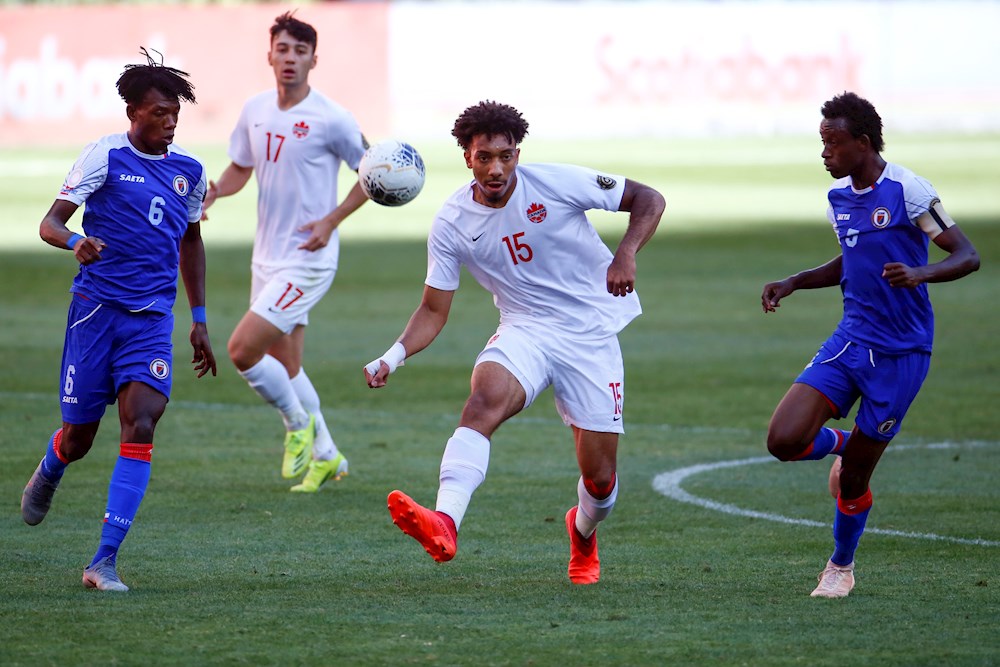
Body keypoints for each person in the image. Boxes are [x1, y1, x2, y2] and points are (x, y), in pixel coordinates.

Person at [364, 100, 665, 584]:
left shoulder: (556, 182)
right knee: (482, 402)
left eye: (505, 156)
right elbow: (433, 310)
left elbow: (649, 198)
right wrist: (392, 356)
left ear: (518, 155)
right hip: (525, 327)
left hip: (589, 333)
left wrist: (625, 253)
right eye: (484, 157)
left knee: (600, 480)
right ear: (467, 157)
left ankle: (583, 531)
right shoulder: (452, 222)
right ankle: (445, 522)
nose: (496, 169)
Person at [761, 92, 980, 598]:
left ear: (863, 142)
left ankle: (840, 566)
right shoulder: (839, 198)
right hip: (851, 339)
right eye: (822, 143)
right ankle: (844, 442)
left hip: (901, 354)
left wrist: (921, 272)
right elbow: (852, 257)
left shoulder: (908, 190)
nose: (825, 153)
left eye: (833, 143)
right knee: (782, 441)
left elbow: (967, 255)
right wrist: (794, 282)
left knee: (853, 481)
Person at [20, 49, 217, 592]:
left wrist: (199, 318)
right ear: (133, 113)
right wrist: (75, 241)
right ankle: (53, 464)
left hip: (150, 320)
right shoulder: (103, 156)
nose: (170, 123)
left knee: (142, 422)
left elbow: (192, 241)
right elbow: (50, 223)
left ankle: (103, 561)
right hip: (95, 314)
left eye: (175, 114)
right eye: (159, 113)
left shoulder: (190, 171)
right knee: (79, 438)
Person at [202, 11, 369, 492]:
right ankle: (328, 456)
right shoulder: (255, 109)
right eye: (283, 49)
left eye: (300, 51)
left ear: (315, 60)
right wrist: (215, 192)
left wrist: (332, 220)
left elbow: (373, 173)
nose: (290, 58)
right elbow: (241, 167)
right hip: (267, 257)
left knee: (242, 350)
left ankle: (297, 426)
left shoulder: (332, 118)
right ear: (269, 56)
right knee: (287, 366)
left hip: (309, 257)